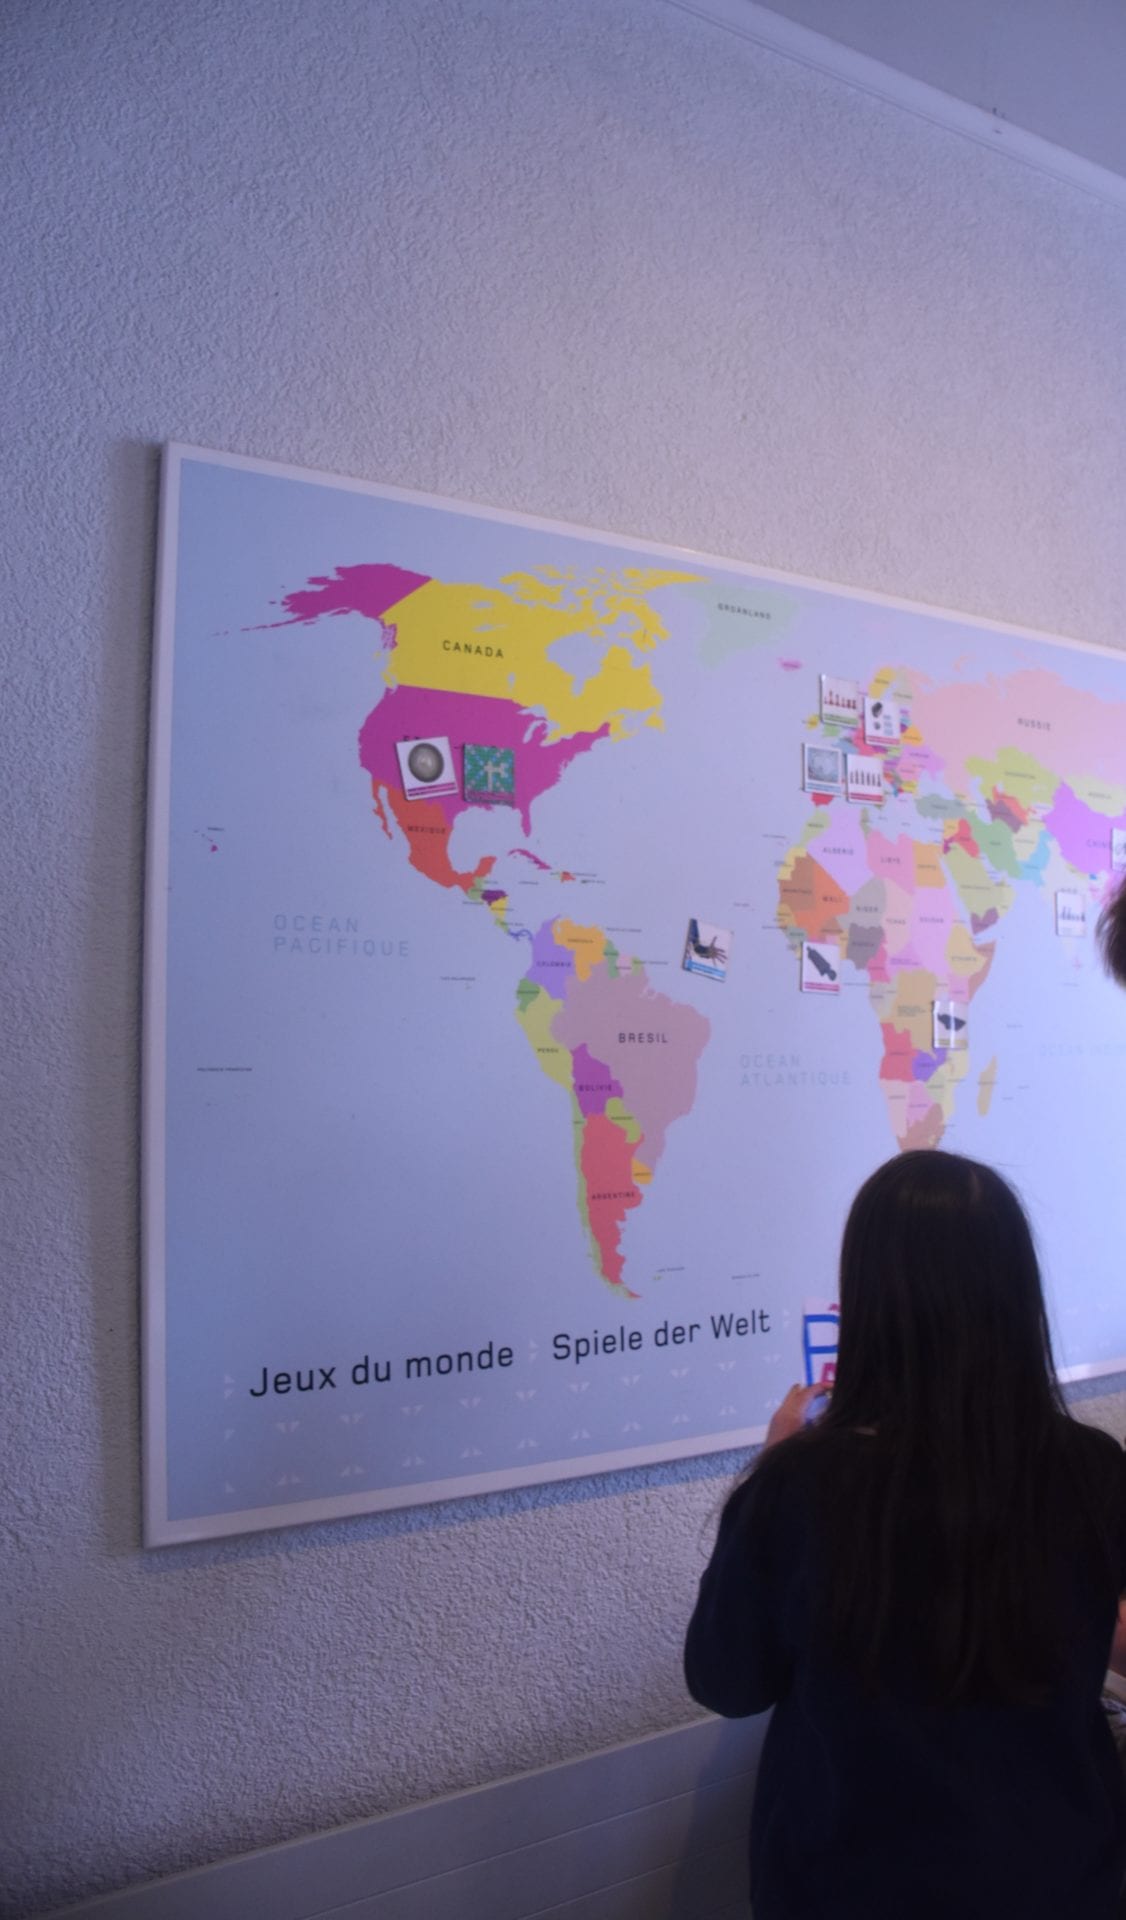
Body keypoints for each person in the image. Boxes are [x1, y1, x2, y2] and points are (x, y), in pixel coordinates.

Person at [684, 1150, 1126, 1919]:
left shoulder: (800, 1488)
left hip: (850, 1885)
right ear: (1017, 1293)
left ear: (868, 1301)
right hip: (1059, 1876)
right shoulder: (1094, 1467)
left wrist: (769, 1470)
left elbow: (727, 1683)